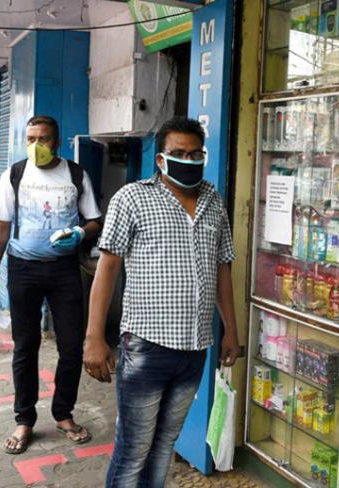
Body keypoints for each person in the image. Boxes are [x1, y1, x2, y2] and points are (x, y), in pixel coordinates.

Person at [84, 116, 240, 487]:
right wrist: (94, 337)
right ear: (160, 159)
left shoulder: (213, 201)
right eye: (178, 154)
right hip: (146, 347)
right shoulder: (133, 198)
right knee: (134, 449)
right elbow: (107, 267)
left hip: (195, 348)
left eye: (195, 154)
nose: (188, 160)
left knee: (164, 444)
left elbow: (222, 269)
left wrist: (231, 331)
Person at [0, 115, 102, 455]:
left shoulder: (75, 174)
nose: (35, 145)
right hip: (23, 270)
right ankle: (24, 419)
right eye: (30, 139)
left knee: (71, 346)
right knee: (25, 346)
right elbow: (1, 228)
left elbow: (94, 220)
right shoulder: (14, 175)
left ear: (56, 142)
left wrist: (80, 232)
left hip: (64, 271)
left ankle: (63, 414)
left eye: (43, 139)